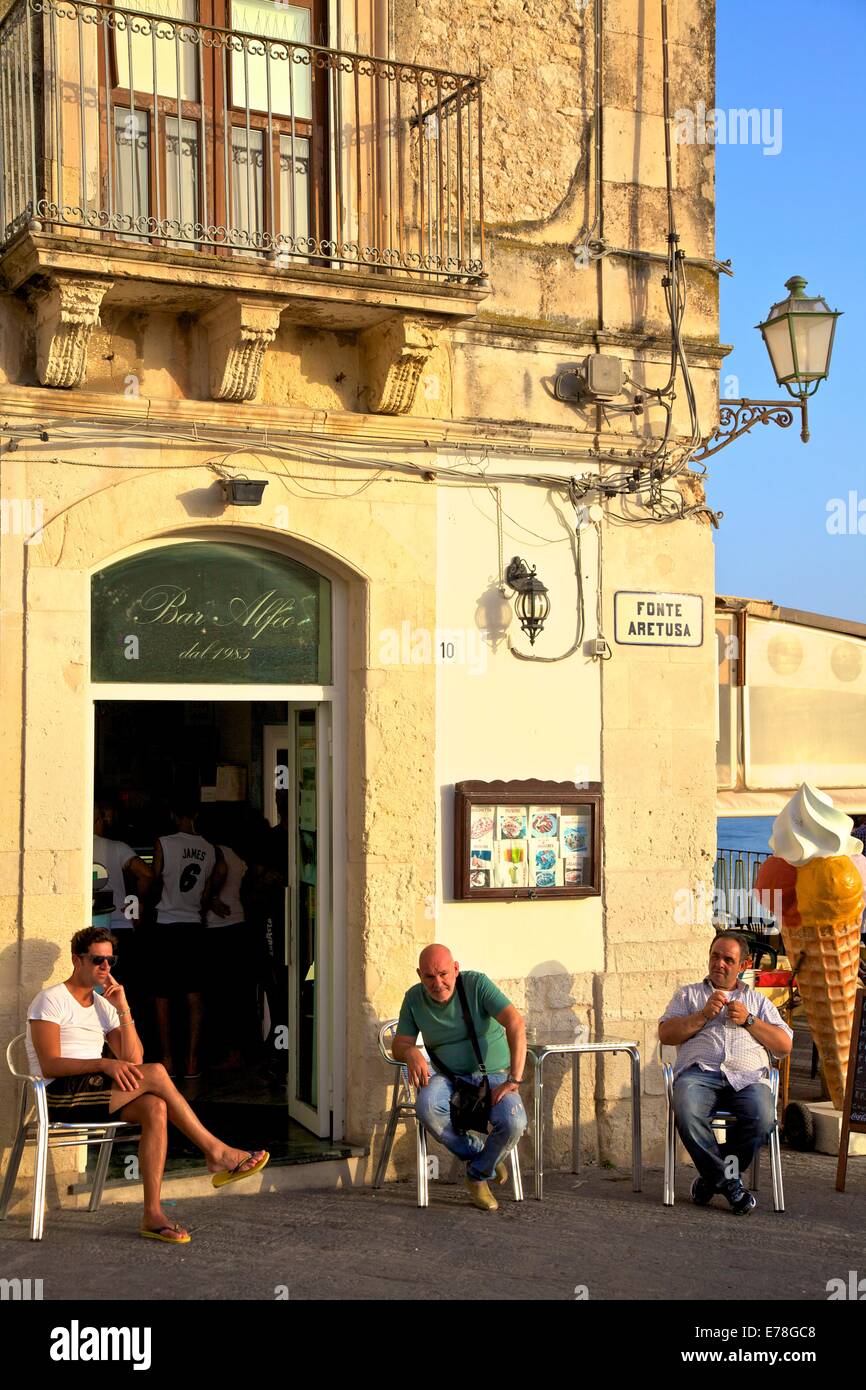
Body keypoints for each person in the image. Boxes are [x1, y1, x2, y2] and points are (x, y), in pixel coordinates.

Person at [26, 928, 269, 1244]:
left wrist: (122, 1007)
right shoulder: (50, 1000)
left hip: (95, 1091)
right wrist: (103, 1063)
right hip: (58, 1094)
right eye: (97, 960)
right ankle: (216, 1151)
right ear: (77, 960)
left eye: (110, 961)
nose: (105, 968)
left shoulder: (103, 1005)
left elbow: (132, 1057)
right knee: (155, 1072)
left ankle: (153, 1214)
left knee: (156, 1106)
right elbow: (49, 1065)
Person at [658, 931, 793, 1215]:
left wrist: (750, 1021)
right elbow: (666, 1033)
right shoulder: (689, 994)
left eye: (728, 959)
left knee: (763, 1116)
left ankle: (712, 1182)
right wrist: (703, 1016)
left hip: (747, 1079)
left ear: (742, 966)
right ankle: (730, 1184)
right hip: (699, 1075)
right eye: (715, 956)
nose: (719, 963)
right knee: (685, 1107)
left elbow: (784, 1044)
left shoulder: (758, 1002)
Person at [392, 944, 527, 1212]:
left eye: (443, 974)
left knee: (514, 1122)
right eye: (429, 977)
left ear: (455, 969)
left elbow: (515, 1022)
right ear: (420, 975)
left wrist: (514, 1079)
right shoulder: (413, 999)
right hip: (451, 1079)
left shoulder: (476, 984)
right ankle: (481, 1157)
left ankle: (476, 1175)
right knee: (426, 1106)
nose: (437, 983)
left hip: (495, 1076)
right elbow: (398, 1045)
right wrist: (409, 1052)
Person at [151, 799, 217, 1079]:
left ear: (172, 813)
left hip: (166, 924)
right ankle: (191, 1061)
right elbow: (205, 894)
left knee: (163, 995)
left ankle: (167, 1058)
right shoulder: (209, 849)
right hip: (193, 926)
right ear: (197, 815)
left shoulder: (163, 843)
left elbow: (154, 882)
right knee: (195, 996)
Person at [93, 799, 154, 1012]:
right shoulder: (117, 847)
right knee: (122, 992)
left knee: (92, 991)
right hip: (119, 925)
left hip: (88, 928)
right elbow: (146, 874)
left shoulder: (74, 850)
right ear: (98, 819)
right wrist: (137, 904)